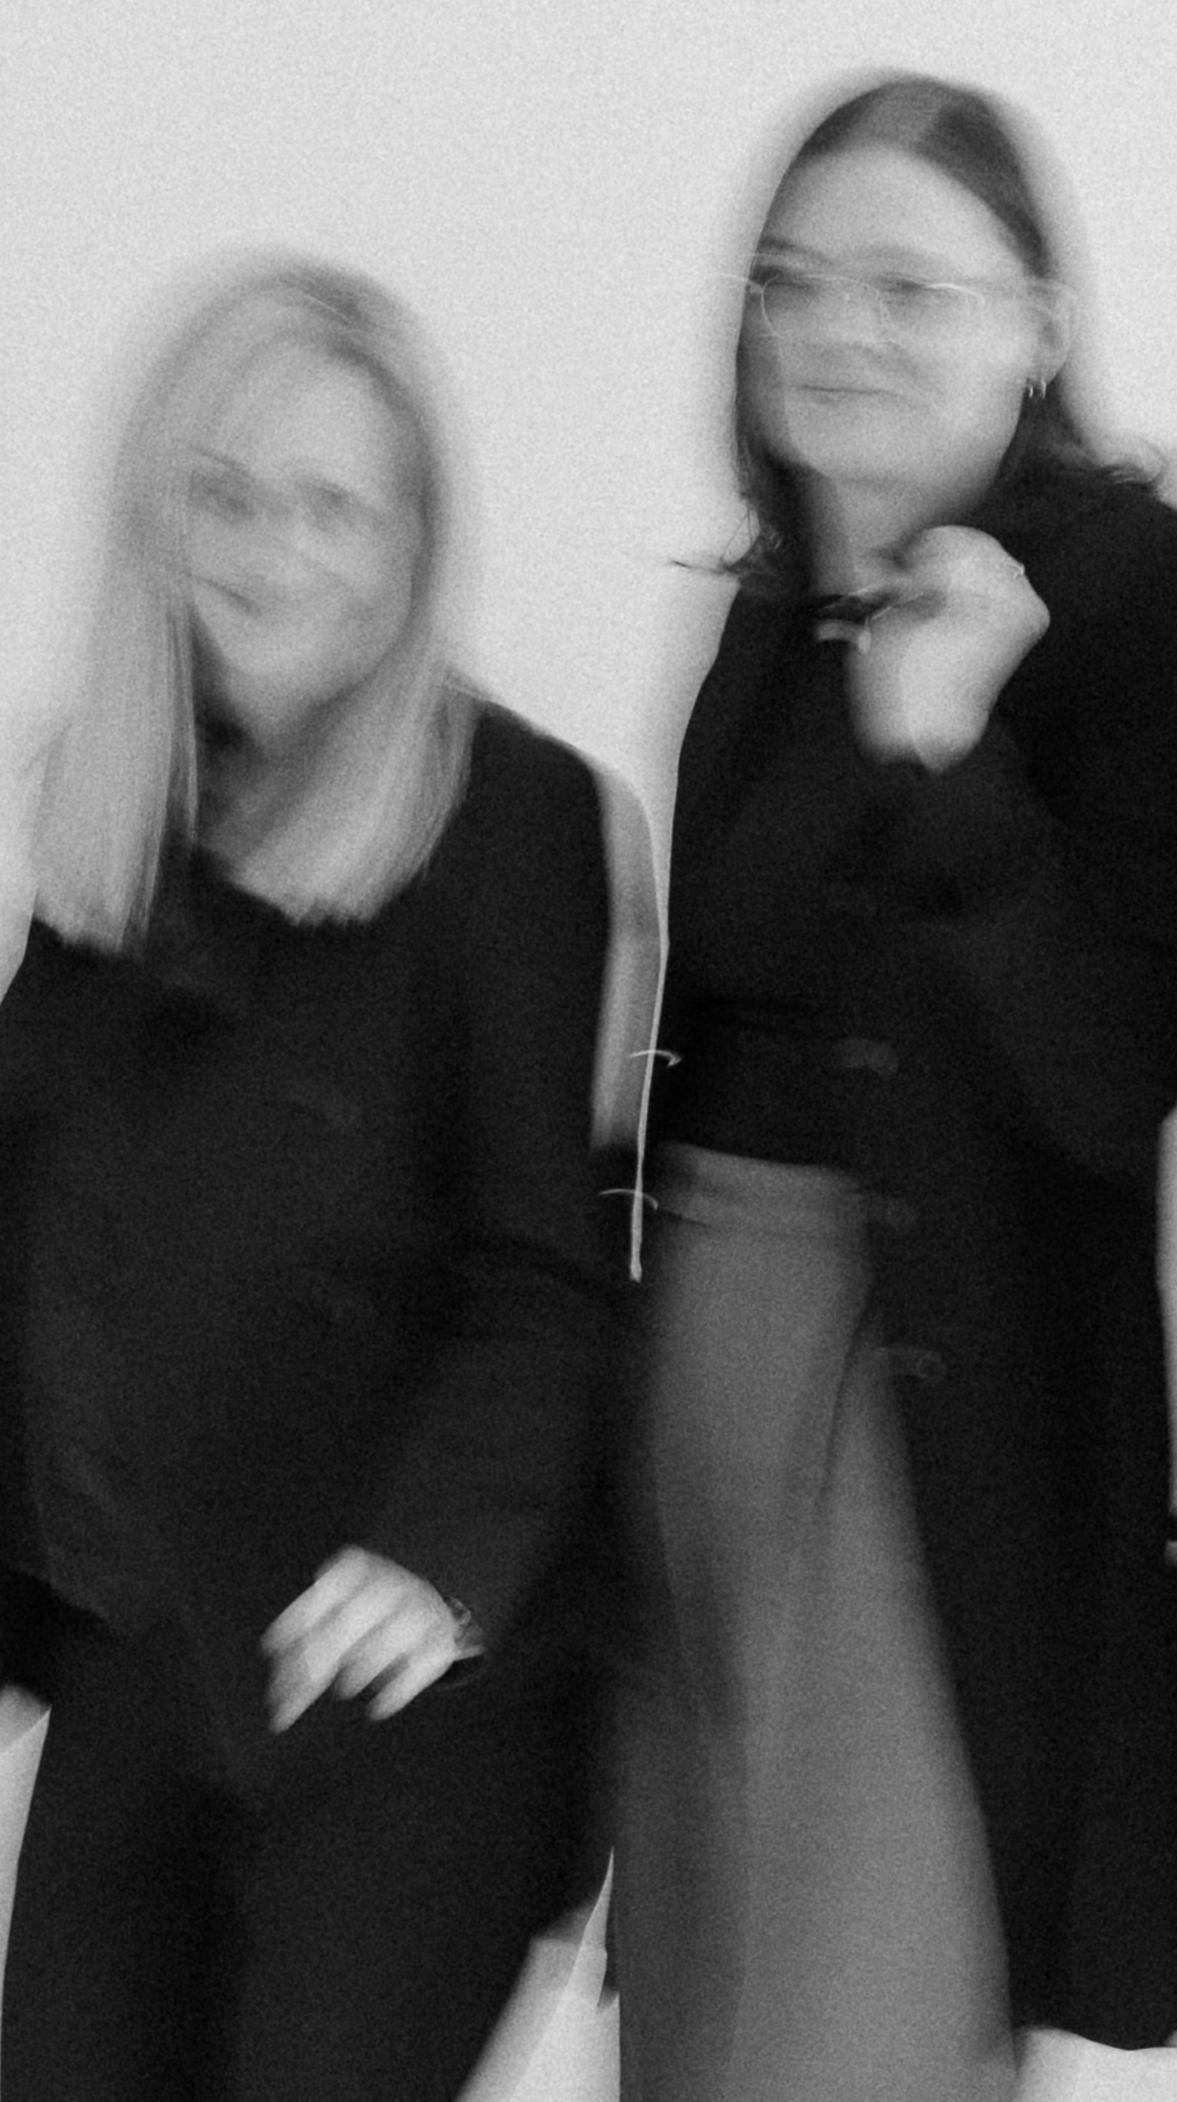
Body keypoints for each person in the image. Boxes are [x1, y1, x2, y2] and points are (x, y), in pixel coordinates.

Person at [611, 73, 1177, 2100]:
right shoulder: (762, 603)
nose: (836, 329)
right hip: (694, 1356)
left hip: (922, 1384)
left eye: (908, 288)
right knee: (699, 1991)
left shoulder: (1132, 591)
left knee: (851, 2019)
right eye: (792, 281)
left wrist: (951, 754)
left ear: (1037, 327)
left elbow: (1111, 1082)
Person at [0, 257, 618, 2099]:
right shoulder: (117, 801)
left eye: (336, 505)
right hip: (138, 1650)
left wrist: (442, 1558)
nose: (276, 551)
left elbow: (544, 1270)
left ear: (414, 541)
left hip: (384, 1690)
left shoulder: (510, 816)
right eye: (227, 494)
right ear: (155, 512)